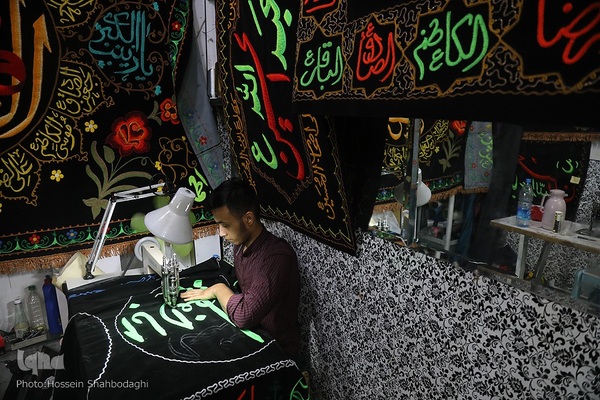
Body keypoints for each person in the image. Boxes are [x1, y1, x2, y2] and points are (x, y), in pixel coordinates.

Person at [180, 177, 301, 358]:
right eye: (218, 224)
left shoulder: (277, 257)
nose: (221, 233)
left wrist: (218, 289)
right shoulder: (240, 246)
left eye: (225, 225)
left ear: (249, 219)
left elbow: (244, 316)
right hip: (250, 338)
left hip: (276, 351)